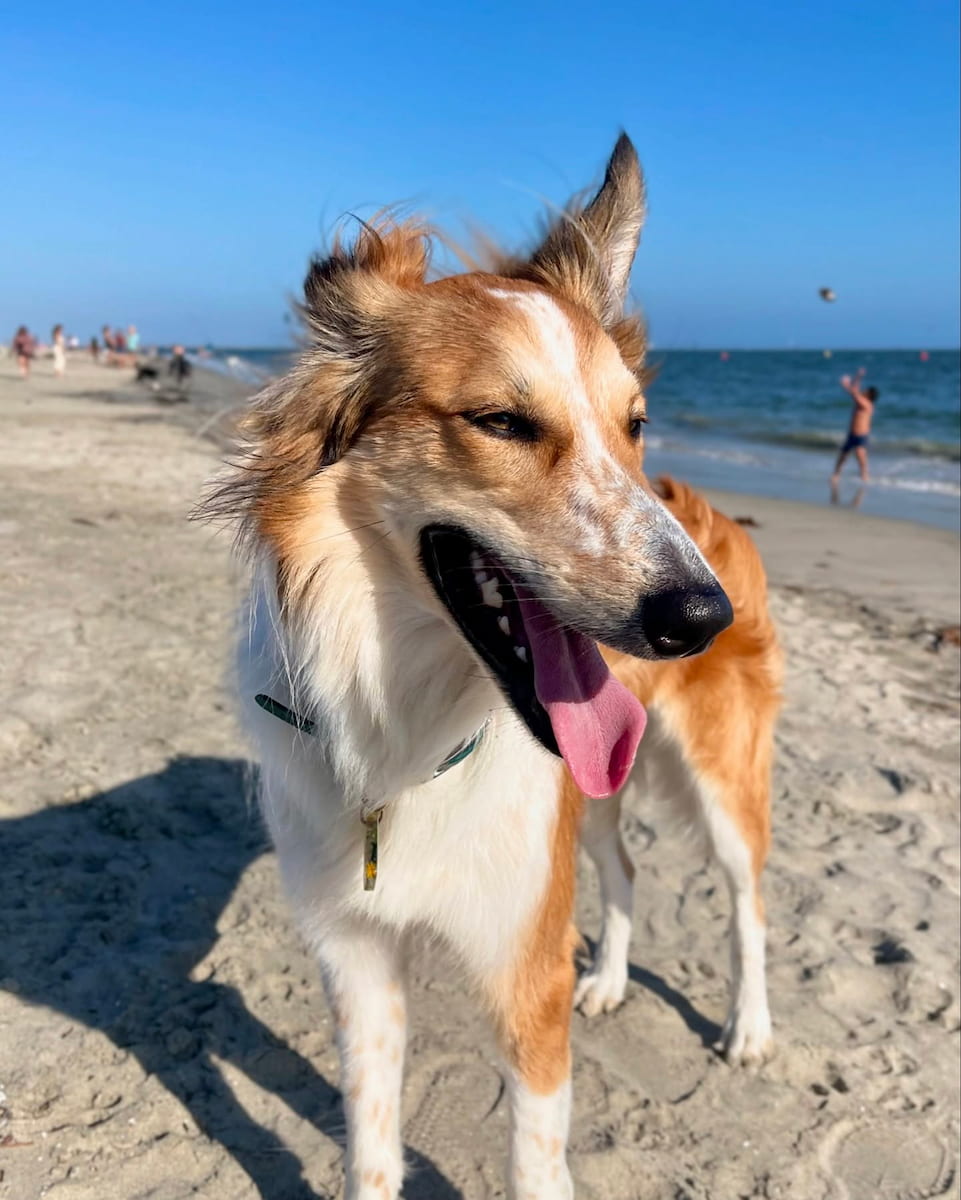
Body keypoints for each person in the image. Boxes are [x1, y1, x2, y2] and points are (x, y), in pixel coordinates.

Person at [831, 367, 878, 486]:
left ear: (870, 396)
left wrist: (846, 384)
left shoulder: (867, 404)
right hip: (852, 433)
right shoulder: (861, 400)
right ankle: (836, 474)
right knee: (843, 454)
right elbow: (855, 390)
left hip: (861, 435)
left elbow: (854, 394)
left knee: (860, 454)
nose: (863, 391)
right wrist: (858, 376)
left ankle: (864, 475)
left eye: (866, 391)